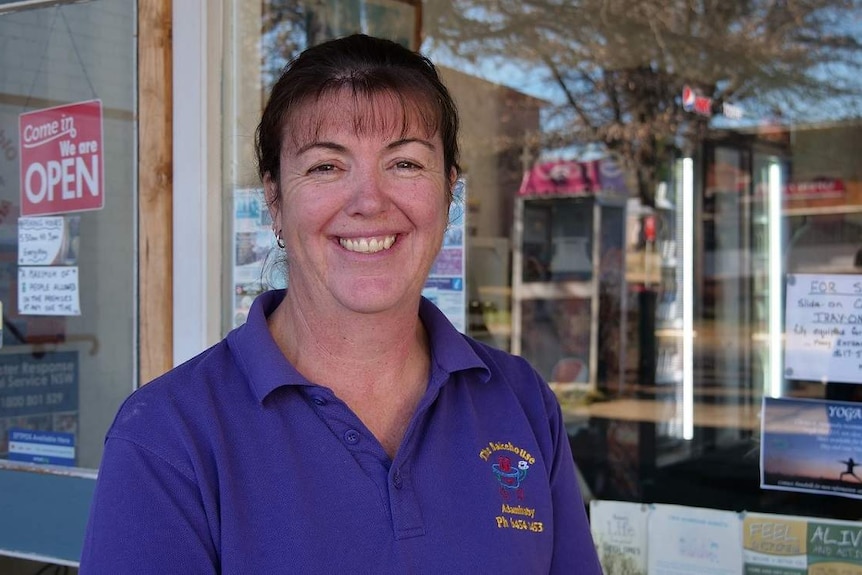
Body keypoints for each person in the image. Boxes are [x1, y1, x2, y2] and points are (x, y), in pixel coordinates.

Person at [80, 34, 601, 574]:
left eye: (404, 163)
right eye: (326, 167)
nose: (369, 202)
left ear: (449, 193)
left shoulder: (521, 403)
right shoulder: (168, 438)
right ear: (276, 202)